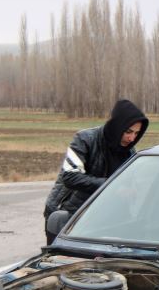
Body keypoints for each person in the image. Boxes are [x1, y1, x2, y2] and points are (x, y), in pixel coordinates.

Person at [43, 99, 148, 244]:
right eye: (128, 132)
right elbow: (70, 177)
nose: (132, 138)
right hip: (68, 214)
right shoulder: (84, 139)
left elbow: (125, 186)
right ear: (117, 126)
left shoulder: (129, 151)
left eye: (137, 133)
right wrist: (112, 185)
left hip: (101, 218)